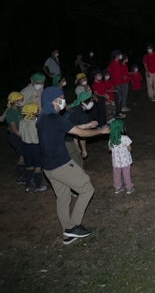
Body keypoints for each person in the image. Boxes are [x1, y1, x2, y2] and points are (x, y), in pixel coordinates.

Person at [37, 87, 109, 245]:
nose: (64, 101)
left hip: (48, 168)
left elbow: (65, 130)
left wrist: (87, 125)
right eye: (61, 98)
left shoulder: (43, 118)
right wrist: (101, 130)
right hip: (61, 164)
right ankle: (74, 226)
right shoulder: (55, 118)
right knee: (87, 189)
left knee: (63, 197)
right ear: (54, 100)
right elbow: (79, 133)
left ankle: (67, 234)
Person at [19, 103, 48, 192]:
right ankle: (38, 186)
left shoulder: (22, 121)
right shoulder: (36, 123)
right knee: (38, 167)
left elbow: (20, 134)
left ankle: (27, 186)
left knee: (29, 166)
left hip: (26, 146)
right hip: (36, 146)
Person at [64, 92, 95, 168]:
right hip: (66, 140)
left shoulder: (73, 109)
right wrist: (84, 150)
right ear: (83, 102)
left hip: (62, 136)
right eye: (90, 101)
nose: (92, 103)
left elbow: (75, 130)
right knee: (78, 162)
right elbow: (82, 134)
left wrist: (77, 147)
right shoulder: (82, 115)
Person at [108, 119, 134, 195]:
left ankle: (117, 187)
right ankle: (129, 188)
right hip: (125, 161)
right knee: (126, 174)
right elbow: (129, 149)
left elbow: (109, 149)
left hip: (116, 161)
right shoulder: (125, 138)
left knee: (116, 174)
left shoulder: (111, 139)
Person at [6, 92, 26, 184]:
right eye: (21, 99)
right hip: (15, 136)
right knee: (22, 156)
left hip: (21, 134)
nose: (22, 100)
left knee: (24, 155)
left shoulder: (20, 109)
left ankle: (24, 175)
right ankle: (20, 177)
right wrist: (24, 137)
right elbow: (14, 129)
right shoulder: (10, 113)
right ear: (15, 101)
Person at [107, 50, 126, 118]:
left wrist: (121, 76)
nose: (121, 55)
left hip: (119, 82)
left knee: (119, 98)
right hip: (115, 83)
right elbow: (108, 72)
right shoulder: (113, 63)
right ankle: (117, 113)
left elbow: (118, 72)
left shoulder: (118, 62)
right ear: (116, 55)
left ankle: (118, 111)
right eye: (119, 54)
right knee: (117, 98)